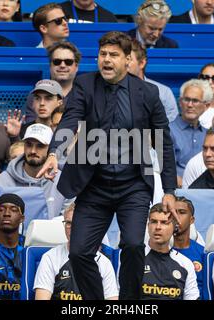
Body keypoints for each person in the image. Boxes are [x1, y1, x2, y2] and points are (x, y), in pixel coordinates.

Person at [37, 31, 177, 300]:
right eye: (103, 54)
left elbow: (163, 143)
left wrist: (169, 190)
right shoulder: (85, 84)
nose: (107, 60)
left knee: (134, 245)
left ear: (128, 60)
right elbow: (70, 119)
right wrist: (54, 152)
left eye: (114, 55)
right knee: (79, 252)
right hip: (94, 184)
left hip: (133, 185)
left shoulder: (148, 92)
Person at [34, 203, 118, 300]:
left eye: (78, 223)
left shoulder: (104, 263)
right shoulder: (50, 257)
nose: (73, 228)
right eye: (69, 223)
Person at [0, 123, 70, 218]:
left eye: (40, 146)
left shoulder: (63, 181)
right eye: (29, 144)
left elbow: (67, 223)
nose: (33, 151)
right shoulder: (1, 182)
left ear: (51, 148)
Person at [141, 203, 199, 300]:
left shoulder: (185, 264)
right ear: (148, 226)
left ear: (174, 228)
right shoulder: (134, 259)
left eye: (164, 222)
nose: (158, 227)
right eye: (154, 222)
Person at [25, 41, 80, 123]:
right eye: (57, 62)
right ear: (50, 65)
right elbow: (32, 127)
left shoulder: (85, 96)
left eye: (68, 62)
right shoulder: (35, 96)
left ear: (76, 67)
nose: (62, 65)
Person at [170, 79, 211, 187]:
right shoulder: (166, 131)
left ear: (206, 106)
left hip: (206, 191)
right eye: (186, 99)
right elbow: (164, 169)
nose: (190, 105)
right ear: (180, 102)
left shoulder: (209, 135)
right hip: (177, 192)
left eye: (195, 101)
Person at [128, 39, 178, 122]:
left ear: (141, 63)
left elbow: (171, 129)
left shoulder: (163, 92)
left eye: (128, 59)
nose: (123, 63)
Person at [171, 196, 205, 299]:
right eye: (173, 212)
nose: (176, 217)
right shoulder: (159, 251)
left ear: (191, 220)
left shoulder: (202, 253)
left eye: (181, 212)